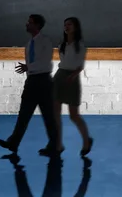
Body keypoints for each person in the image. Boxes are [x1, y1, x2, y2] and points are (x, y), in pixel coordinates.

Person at [0, 14, 59, 157]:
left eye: (30, 22)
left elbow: (46, 64)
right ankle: (13, 142)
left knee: (48, 116)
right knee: (23, 114)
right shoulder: (29, 44)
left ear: (37, 25)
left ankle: (54, 145)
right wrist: (29, 72)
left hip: (43, 82)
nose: (27, 24)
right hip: (31, 82)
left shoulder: (45, 41)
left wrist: (28, 67)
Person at [53, 17, 93, 157]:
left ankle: (86, 141)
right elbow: (63, 62)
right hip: (59, 76)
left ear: (76, 27)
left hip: (72, 78)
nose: (66, 27)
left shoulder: (80, 45)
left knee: (74, 115)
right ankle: (58, 145)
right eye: (65, 25)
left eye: (69, 24)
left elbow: (80, 65)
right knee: (55, 113)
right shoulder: (62, 44)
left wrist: (72, 76)